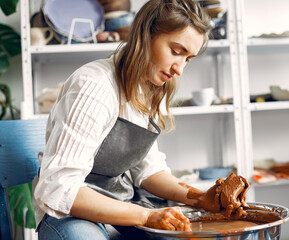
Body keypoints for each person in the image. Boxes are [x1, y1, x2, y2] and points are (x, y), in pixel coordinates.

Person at [33, 0, 220, 239]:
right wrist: (146, 216)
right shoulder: (94, 86)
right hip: (69, 214)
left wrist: (202, 198)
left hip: (119, 206)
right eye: (175, 51)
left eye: (188, 59)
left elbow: (150, 172)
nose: (179, 69)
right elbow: (58, 189)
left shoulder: (149, 88)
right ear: (145, 35)